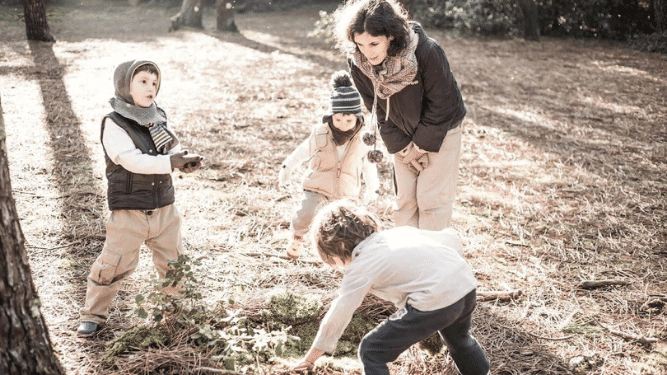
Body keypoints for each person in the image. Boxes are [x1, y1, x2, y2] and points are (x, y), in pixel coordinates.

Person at [77, 60, 203, 337]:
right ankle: (93, 314)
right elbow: (132, 161)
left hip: (163, 208)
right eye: (143, 81)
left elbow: (172, 147)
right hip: (130, 210)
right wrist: (171, 163)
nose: (151, 88)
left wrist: (183, 160)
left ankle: (177, 312)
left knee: (174, 261)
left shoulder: (158, 117)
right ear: (125, 86)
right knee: (114, 263)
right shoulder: (114, 123)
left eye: (155, 83)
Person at [292, 200, 490, 375]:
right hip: (465, 287)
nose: (339, 265)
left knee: (371, 351)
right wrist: (452, 277)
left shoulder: (361, 265)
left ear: (341, 247)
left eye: (334, 258)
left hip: (435, 301)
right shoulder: (398, 233)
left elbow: (339, 313)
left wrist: (310, 359)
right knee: (460, 340)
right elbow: (450, 239)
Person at [332, 0, 466, 231]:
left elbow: (443, 105)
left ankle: (432, 260)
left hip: (441, 130)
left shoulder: (426, 51)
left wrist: (421, 146)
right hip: (401, 133)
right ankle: (408, 258)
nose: (367, 52)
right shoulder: (358, 62)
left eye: (374, 43)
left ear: (391, 36)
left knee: (431, 202)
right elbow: (376, 108)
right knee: (404, 202)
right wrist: (404, 148)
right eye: (360, 44)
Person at [279, 70, 380, 260]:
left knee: (345, 226)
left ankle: (342, 255)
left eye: (348, 119)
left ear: (358, 118)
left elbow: (368, 166)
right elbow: (302, 151)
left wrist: (372, 187)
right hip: (317, 186)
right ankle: (297, 238)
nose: (343, 124)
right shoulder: (320, 133)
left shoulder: (363, 140)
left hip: (346, 192)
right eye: (338, 119)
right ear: (330, 116)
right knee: (306, 213)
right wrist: (288, 166)